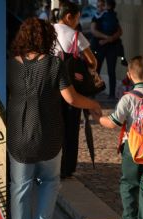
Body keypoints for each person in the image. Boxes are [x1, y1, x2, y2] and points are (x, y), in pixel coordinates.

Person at [7, 17, 101, 219]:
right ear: (48, 37)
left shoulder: (11, 66)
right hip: (48, 136)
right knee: (49, 182)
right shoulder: (53, 64)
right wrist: (93, 103)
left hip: (19, 138)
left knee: (20, 186)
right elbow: (72, 98)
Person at [92, 56, 143, 219]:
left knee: (129, 185)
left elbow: (113, 122)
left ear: (129, 75)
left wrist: (98, 118)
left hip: (133, 147)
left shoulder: (129, 98)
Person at [53, 1, 98, 178]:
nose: (77, 23)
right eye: (77, 19)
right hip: (71, 89)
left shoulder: (46, 32)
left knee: (53, 128)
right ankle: (67, 168)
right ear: (69, 16)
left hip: (50, 88)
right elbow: (92, 61)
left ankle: (50, 166)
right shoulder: (76, 36)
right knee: (71, 129)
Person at [91, 0, 123, 99]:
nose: (99, 8)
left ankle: (110, 94)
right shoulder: (97, 17)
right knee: (98, 70)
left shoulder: (107, 16)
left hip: (105, 46)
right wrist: (109, 38)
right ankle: (95, 92)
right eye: (98, 6)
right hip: (105, 46)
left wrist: (106, 40)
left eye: (101, 6)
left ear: (105, 6)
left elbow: (120, 31)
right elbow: (93, 31)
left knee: (108, 71)